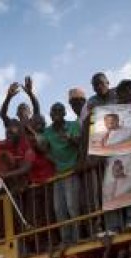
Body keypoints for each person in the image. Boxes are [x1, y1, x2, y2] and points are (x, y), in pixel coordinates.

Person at [39, 102, 83, 242]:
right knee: (59, 208)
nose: (56, 113)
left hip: (71, 170)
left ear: (64, 113)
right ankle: (66, 239)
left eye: (60, 110)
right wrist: (50, 156)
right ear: (50, 115)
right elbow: (44, 150)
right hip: (57, 174)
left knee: (72, 206)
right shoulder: (47, 131)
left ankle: (78, 237)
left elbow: (80, 143)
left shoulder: (73, 125)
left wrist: (70, 138)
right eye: (54, 111)